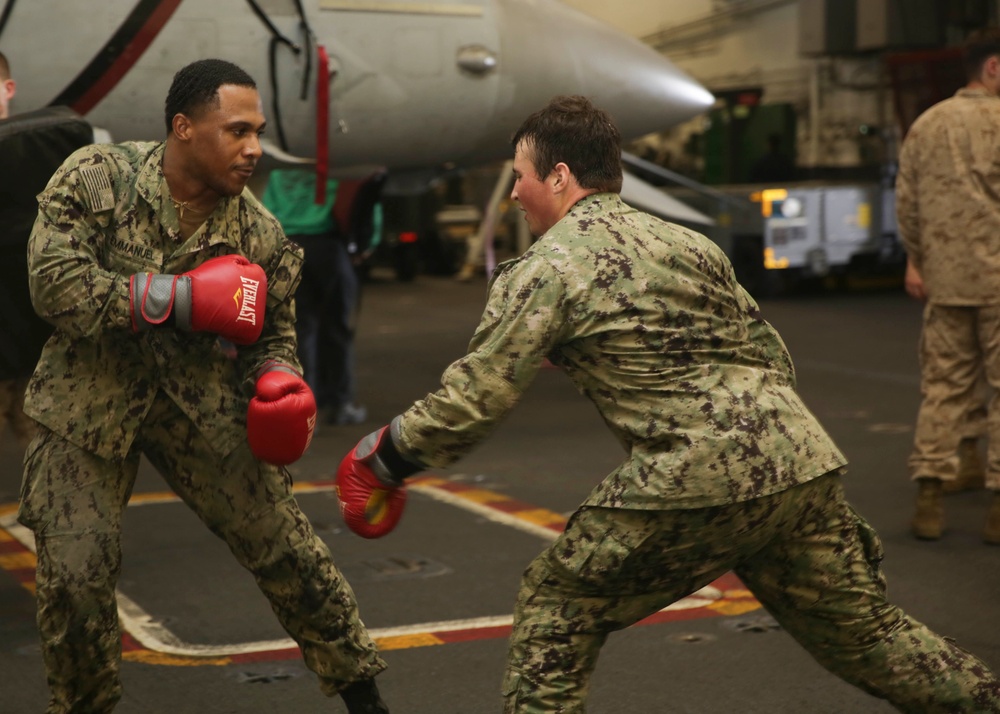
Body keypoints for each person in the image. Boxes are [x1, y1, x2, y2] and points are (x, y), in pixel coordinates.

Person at [333, 95, 1000, 712]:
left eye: (521, 176)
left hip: (695, 473)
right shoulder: (690, 244)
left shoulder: (550, 265)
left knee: (558, 603)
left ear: (560, 176)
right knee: (872, 637)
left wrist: (384, 457)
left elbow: (477, 396)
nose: (515, 194)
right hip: (799, 460)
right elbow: (771, 357)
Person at [18, 59, 390, 713]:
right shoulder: (97, 178)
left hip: (198, 400)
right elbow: (54, 286)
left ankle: (364, 696)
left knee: (289, 550)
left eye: (258, 132)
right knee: (76, 579)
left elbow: (273, 332)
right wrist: (179, 300)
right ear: (184, 128)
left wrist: (278, 376)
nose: (253, 149)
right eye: (237, 131)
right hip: (85, 398)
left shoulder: (259, 235)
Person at [897, 27, 1000, 543]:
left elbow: (907, 202)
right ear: (994, 68)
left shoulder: (927, 123)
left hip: (944, 281)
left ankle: (931, 498)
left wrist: (918, 260)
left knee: (943, 388)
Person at [261, 168, 368, 425]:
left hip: (289, 246)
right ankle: (340, 402)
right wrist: (365, 243)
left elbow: (266, 210)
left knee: (299, 330)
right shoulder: (335, 166)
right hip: (328, 247)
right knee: (337, 328)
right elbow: (361, 202)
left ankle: (306, 409)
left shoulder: (279, 173)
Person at [904, 258, 988, 495]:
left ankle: (930, 488)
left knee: (946, 383)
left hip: (948, 282)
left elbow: (913, 223)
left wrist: (914, 263)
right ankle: (991, 496)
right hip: (988, 281)